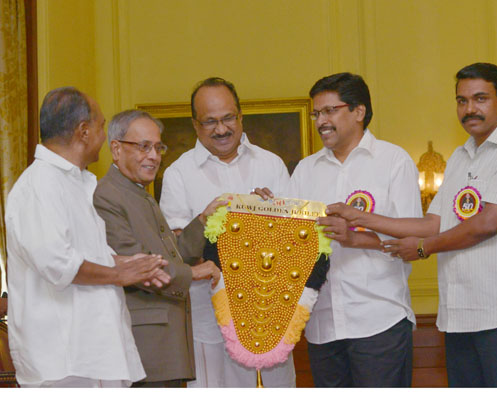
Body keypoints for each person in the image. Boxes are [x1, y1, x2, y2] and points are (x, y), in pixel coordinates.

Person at [324, 63, 497, 387]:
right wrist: (362, 218)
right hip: (459, 318)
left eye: (480, 98)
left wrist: (424, 248)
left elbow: (488, 222)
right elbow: (433, 223)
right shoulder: (460, 157)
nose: (469, 108)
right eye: (461, 100)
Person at [5, 87, 170, 387]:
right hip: (62, 360)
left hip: (95, 353)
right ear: (83, 131)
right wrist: (118, 273)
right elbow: (58, 264)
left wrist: (131, 264)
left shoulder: (76, 182)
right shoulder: (40, 186)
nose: (104, 136)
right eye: (101, 125)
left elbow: (86, 254)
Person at [286, 72, 422, 387]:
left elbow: (413, 240)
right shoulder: (305, 170)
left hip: (379, 321)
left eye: (330, 110)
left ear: (358, 112)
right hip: (322, 324)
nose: (321, 121)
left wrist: (354, 239)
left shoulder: (393, 161)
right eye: (316, 113)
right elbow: (292, 242)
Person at [159, 77, 295, 387]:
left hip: (269, 317)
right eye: (210, 121)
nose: (221, 129)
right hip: (209, 325)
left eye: (228, 118)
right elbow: (175, 250)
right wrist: (205, 219)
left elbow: (293, 243)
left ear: (240, 116)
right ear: (195, 125)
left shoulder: (271, 165)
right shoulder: (179, 174)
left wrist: (273, 216)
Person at [93, 109, 222, 387]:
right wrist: (194, 273)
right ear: (116, 149)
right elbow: (134, 266)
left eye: (157, 147)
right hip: (146, 348)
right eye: (143, 147)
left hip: (166, 346)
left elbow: (171, 254)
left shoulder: (139, 192)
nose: (154, 156)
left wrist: (203, 220)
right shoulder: (107, 196)